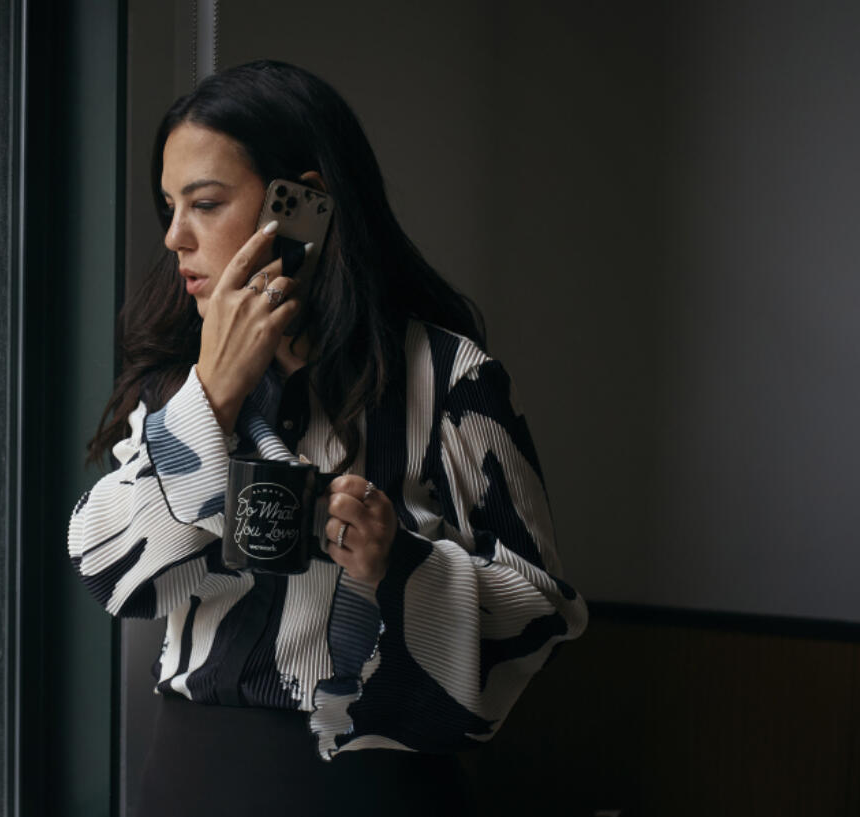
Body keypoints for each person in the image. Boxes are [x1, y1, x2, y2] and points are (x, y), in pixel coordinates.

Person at [69, 60, 587, 816]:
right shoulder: (181, 379)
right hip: (190, 778)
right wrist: (211, 396)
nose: (175, 235)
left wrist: (402, 565)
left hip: (377, 787)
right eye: (169, 205)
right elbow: (105, 568)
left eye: (205, 203)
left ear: (303, 202)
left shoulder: (447, 375)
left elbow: (540, 614)